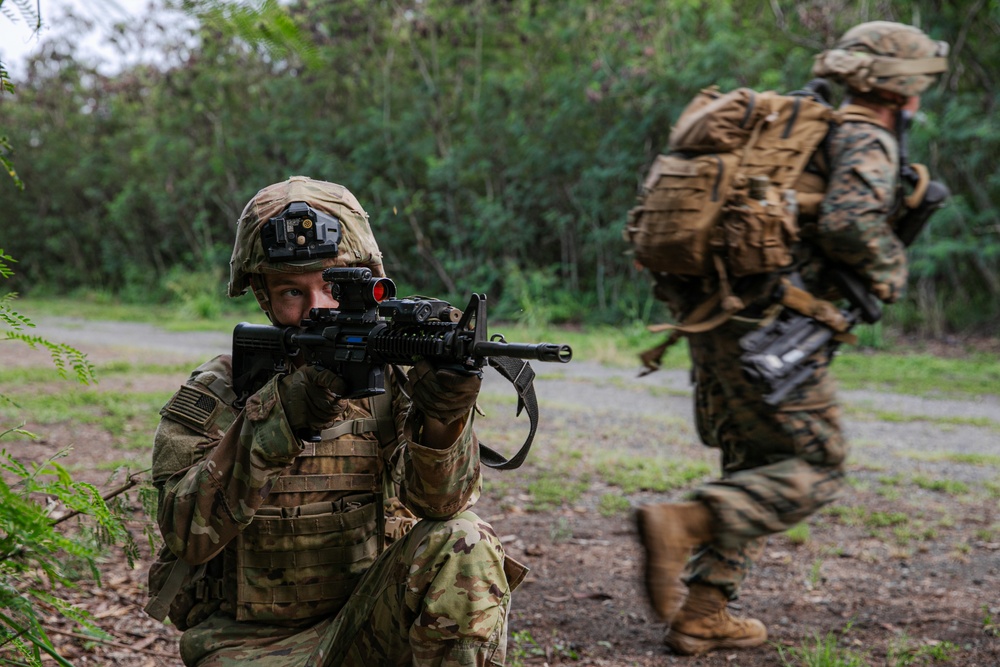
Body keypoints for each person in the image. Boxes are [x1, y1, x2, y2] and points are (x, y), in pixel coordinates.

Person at [634, 22, 949, 656]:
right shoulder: (866, 137)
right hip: (773, 323)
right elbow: (849, 223)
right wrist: (890, 271)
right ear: (904, 89)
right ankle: (684, 522)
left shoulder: (816, 131)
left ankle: (703, 612)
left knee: (755, 464)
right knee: (817, 468)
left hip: (721, 313)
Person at [148, 176, 526, 666]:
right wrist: (281, 416)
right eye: (291, 291)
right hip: (249, 645)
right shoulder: (223, 389)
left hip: (369, 623)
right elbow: (186, 536)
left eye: (335, 284)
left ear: (370, 283)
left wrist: (444, 416)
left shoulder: (394, 380)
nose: (318, 306)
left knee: (465, 540)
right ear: (263, 296)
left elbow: (443, 504)